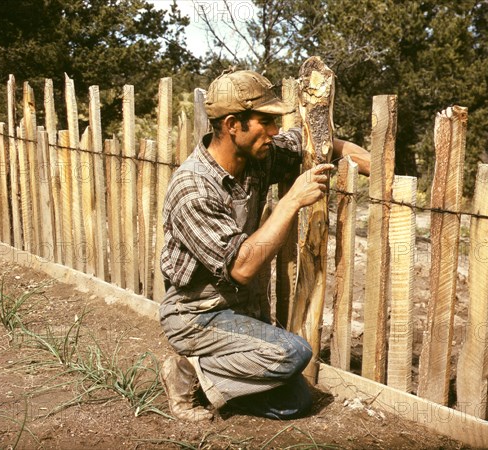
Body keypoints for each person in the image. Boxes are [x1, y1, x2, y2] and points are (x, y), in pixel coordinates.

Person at [158, 69, 370, 422]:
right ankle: (185, 372)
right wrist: (291, 201)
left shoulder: (257, 156)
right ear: (231, 125)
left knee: (294, 402)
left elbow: (319, 143)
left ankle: (218, 382)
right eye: (265, 121)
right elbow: (241, 268)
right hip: (198, 314)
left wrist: (373, 167)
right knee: (294, 352)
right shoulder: (192, 189)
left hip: (238, 313)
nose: (274, 131)